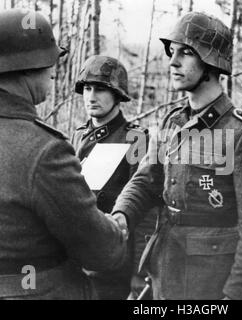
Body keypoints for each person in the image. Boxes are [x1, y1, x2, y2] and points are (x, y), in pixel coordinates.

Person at [112, 12, 242, 300]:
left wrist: (234, 297)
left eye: (186, 52)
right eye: (173, 51)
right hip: (165, 272)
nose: (173, 61)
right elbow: (146, 180)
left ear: (211, 62)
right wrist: (122, 214)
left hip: (211, 285)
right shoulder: (173, 122)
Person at [0, 9, 126, 300]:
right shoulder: (44, 150)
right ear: (30, 67)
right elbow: (102, 252)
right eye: (49, 62)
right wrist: (115, 228)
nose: (53, 71)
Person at [72, 55, 158, 300]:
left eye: (100, 89)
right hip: (76, 268)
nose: (91, 96)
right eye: (87, 88)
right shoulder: (79, 136)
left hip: (113, 272)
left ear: (118, 95)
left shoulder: (136, 139)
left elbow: (146, 216)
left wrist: (139, 280)